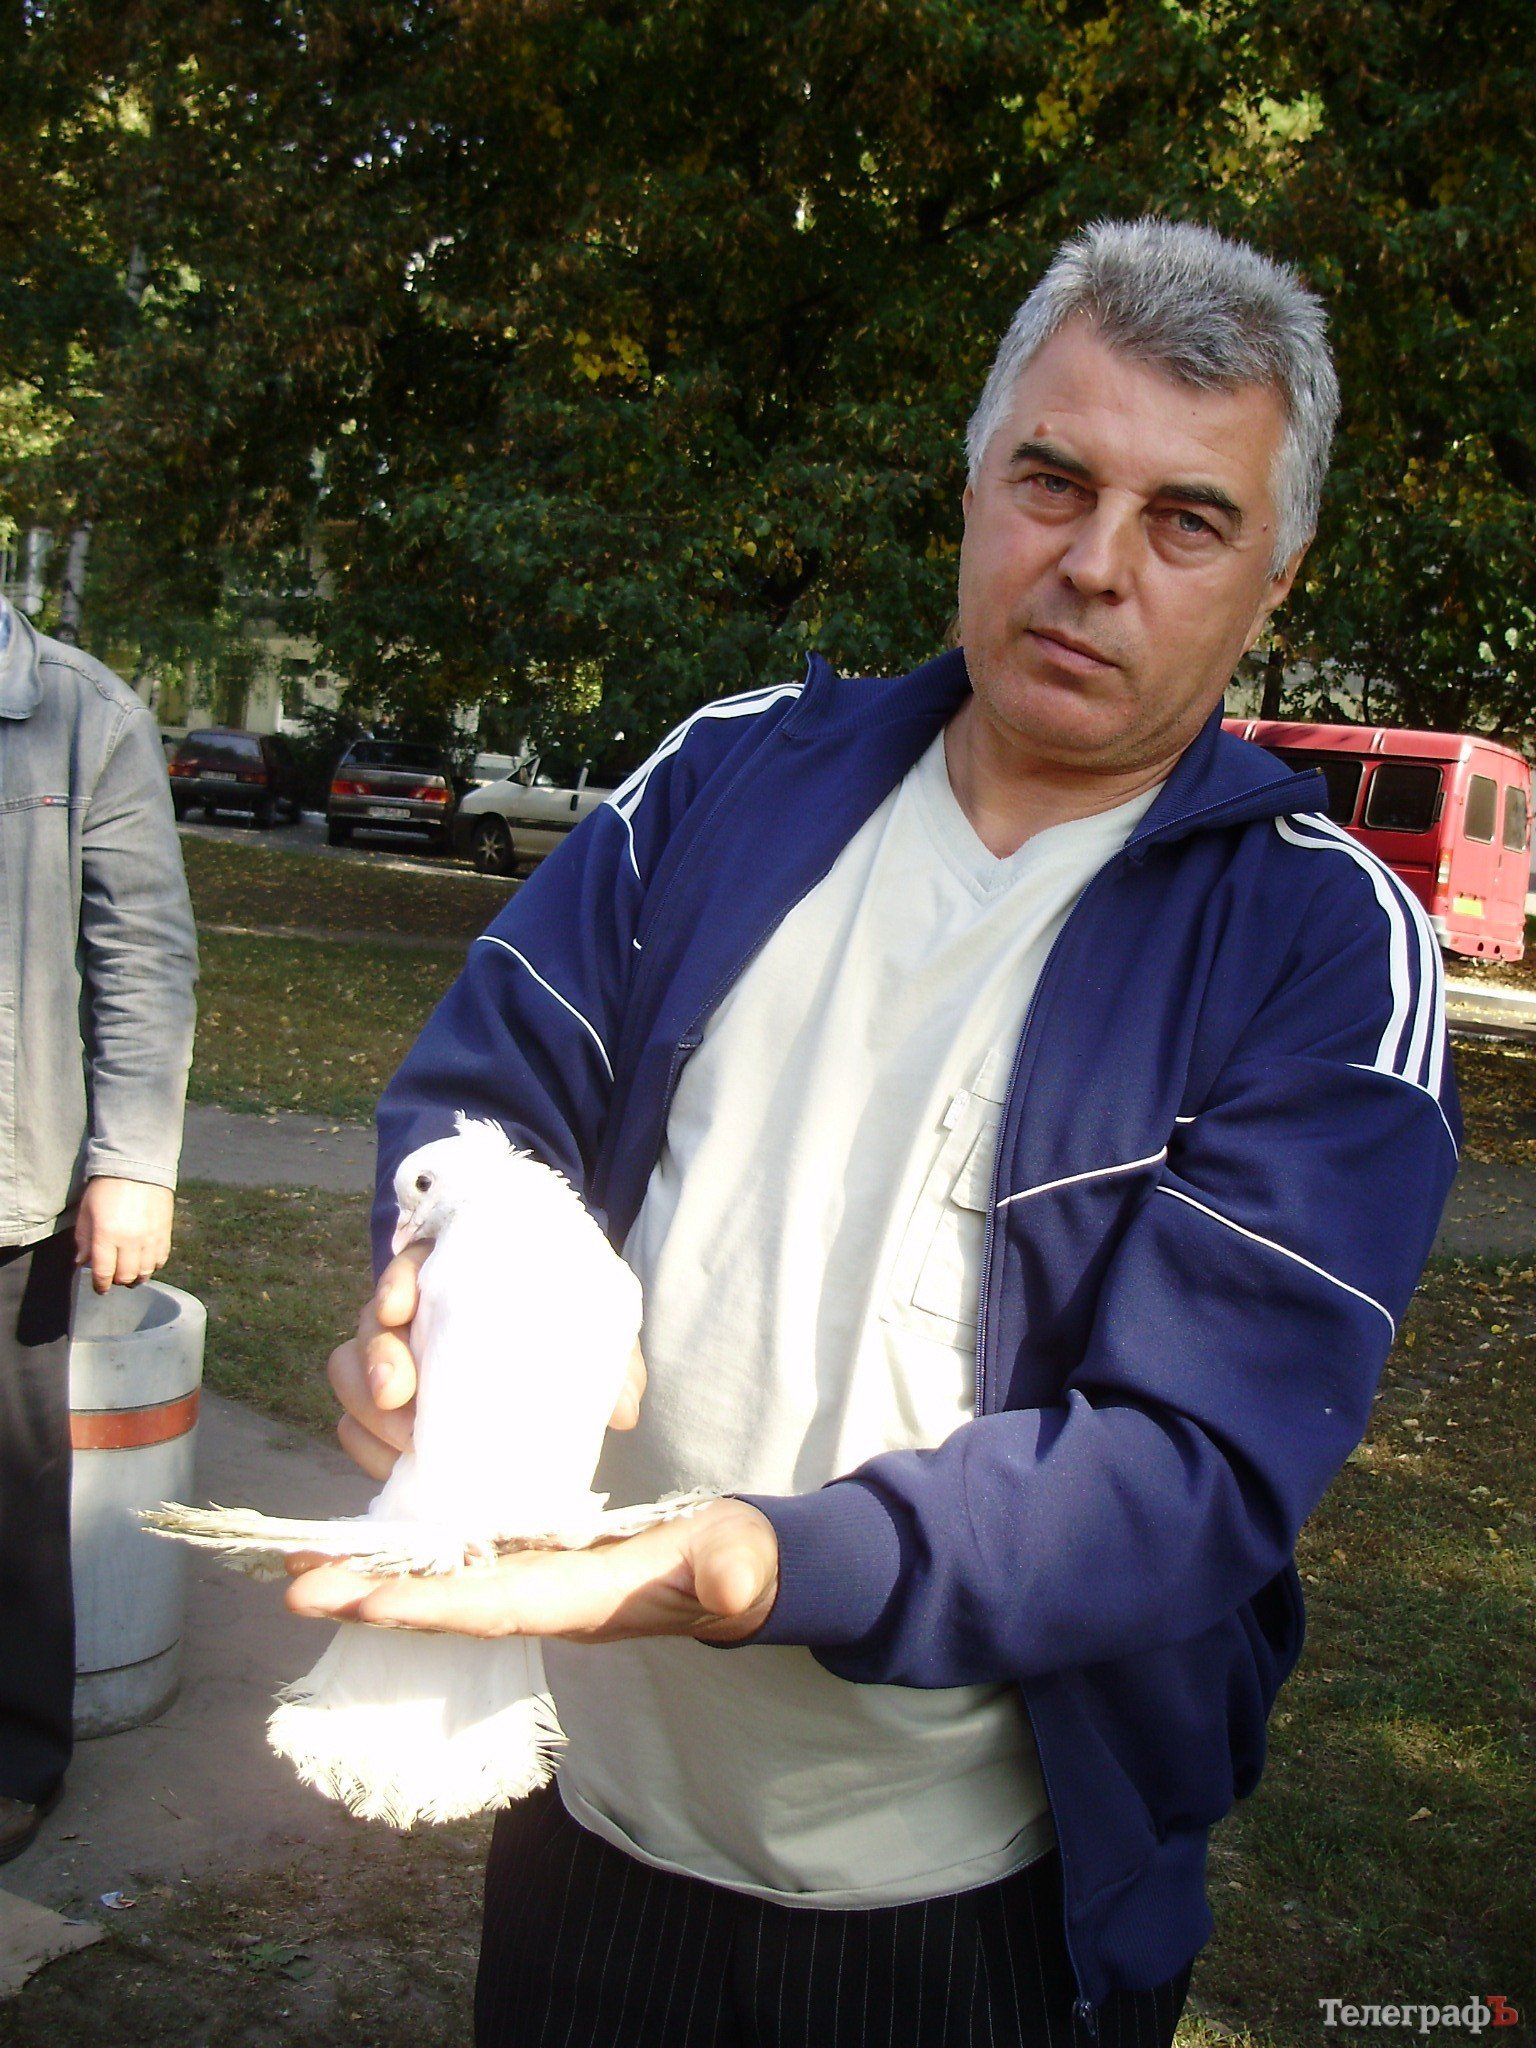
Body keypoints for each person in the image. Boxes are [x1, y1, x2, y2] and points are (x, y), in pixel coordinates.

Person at [292, 219, 1458, 2045]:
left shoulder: (1319, 946)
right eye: (1052, 480)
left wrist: (758, 1561)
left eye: (1185, 518)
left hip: (973, 1907)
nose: (1093, 566)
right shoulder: (725, 776)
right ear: (974, 482)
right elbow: (490, 1087)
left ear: (1273, 573)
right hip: (585, 1810)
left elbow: (1194, 1464)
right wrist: (423, 1277)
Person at [0, 594, 198, 1864]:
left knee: (11, 1487)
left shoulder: (79, 713)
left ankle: (15, 1749)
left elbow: (142, 951)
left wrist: (131, 1163)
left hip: (5, 1183)